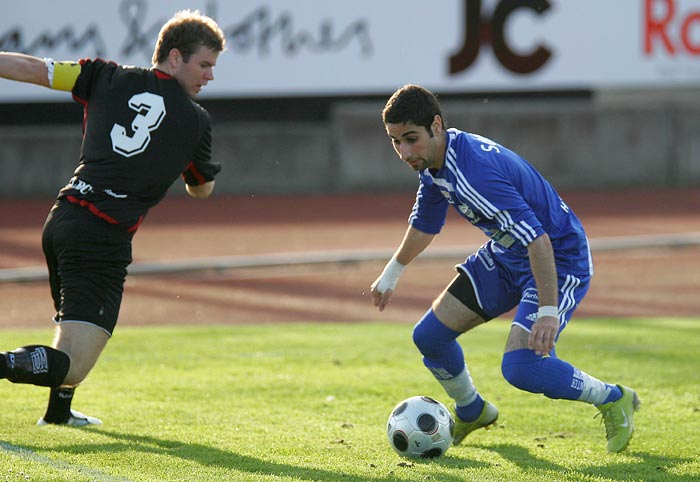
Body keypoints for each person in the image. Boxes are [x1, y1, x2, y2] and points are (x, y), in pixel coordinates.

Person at [370, 84, 640, 453]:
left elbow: (539, 240)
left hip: (557, 261)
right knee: (429, 337)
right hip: (509, 254)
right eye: (395, 141)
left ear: (436, 125)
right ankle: (472, 410)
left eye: (410, 139)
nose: (403, 152)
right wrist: (392, 273)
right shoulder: (437, 160)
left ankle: (613, 398)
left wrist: (547, 311)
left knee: (521, 368)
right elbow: (426, 222)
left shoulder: (475, 173)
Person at [0, 10, 226, 426]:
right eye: (205, 64)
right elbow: (201, 189)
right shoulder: (196, 121)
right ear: (174, 57)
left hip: (62, 219)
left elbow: (34, 69)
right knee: (71, 362)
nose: (210, 76)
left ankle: (58, 414)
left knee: (71, 332)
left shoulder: (104, 76)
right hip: (101, 238)